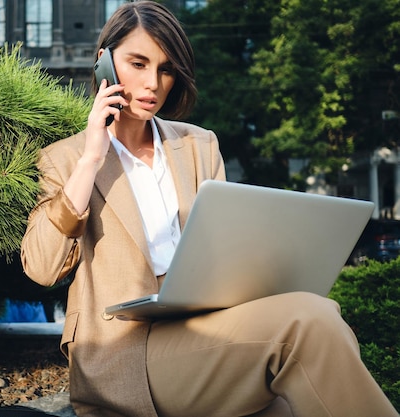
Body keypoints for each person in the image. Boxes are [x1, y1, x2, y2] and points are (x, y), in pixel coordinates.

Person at [20, 2, 399, 416]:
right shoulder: (65, 159)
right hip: (124, 352)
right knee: (306, 322)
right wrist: (92, 158)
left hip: (205, 329)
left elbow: (225, 253)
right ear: (104, 63)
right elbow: (42, 267)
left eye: (166, 69)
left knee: (310, 339)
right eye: (138, 63)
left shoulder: (199, 145)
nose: (153, 84)